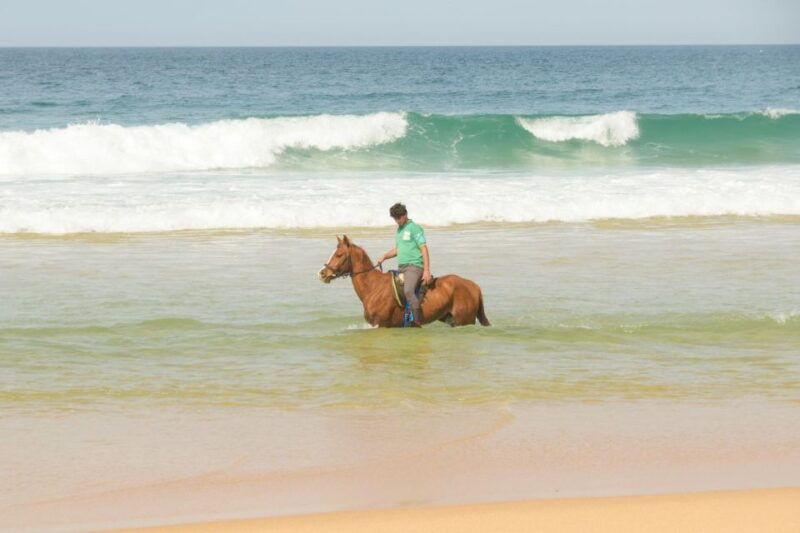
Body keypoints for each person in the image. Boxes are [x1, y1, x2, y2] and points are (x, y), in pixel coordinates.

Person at [376, 203, 431, 327]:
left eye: (398, 218)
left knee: (408, 291)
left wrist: (426, 270)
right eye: (395, 219)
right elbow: (398, 249)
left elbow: (424, 248)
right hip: (401, 267)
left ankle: (417, 323)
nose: (397, 221)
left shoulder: (415, 228)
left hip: (414, 266)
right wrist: (384, 256)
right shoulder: (399, 230)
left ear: (405, 215)